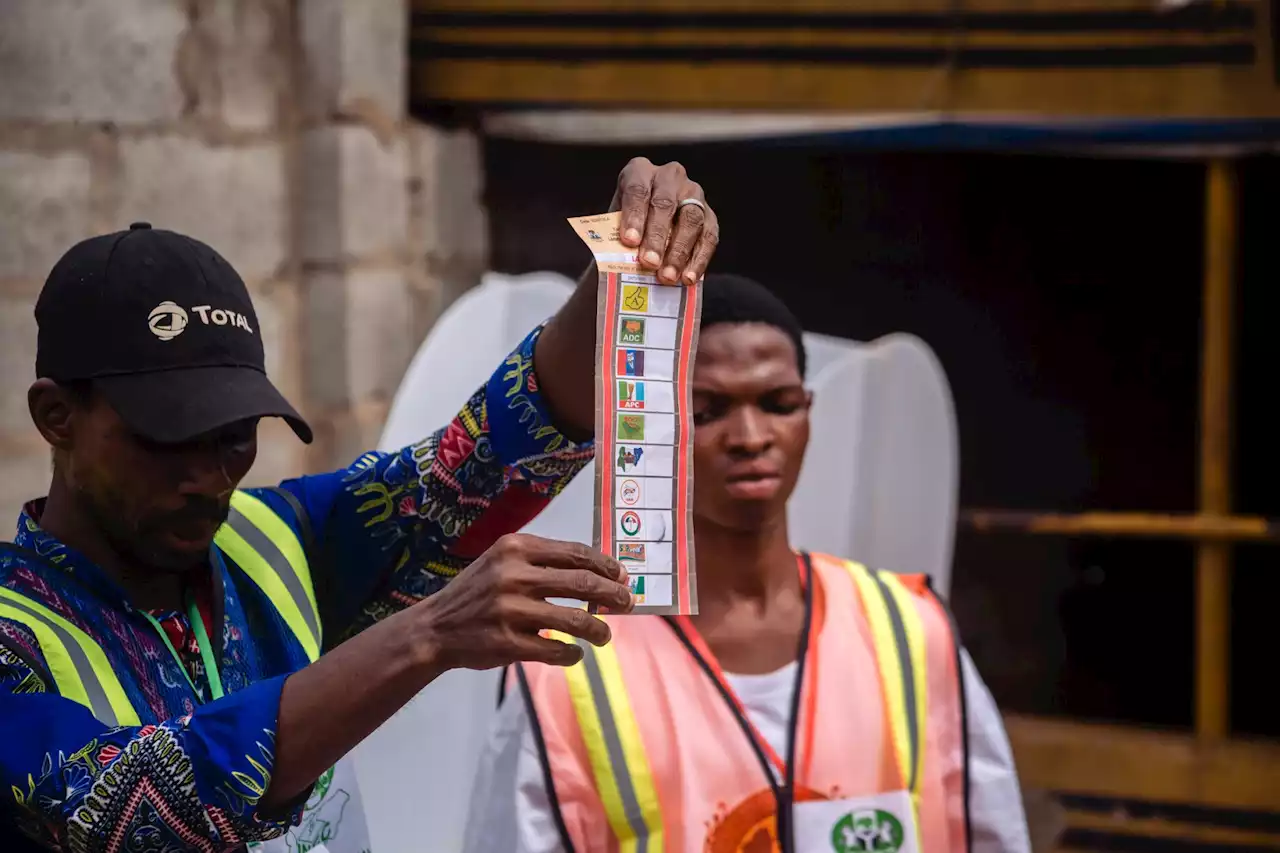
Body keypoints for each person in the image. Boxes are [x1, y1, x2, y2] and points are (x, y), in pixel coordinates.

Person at [0, 158, 719, 852]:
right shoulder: (14, 637)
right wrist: (427, 634)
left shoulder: (275, 538)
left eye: (235, 438)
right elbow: (124, 805)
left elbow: (482, 459)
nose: (208, 478)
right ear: (57, 415)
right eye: (166, 439)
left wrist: (622, 264)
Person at [462, 274, 1032, 853]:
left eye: (778, 404)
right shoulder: (569, 666)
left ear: (808, 412)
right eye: (708, 410)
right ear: (656, 429)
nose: (752, 436)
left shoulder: (911, 630)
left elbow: (992, 831)